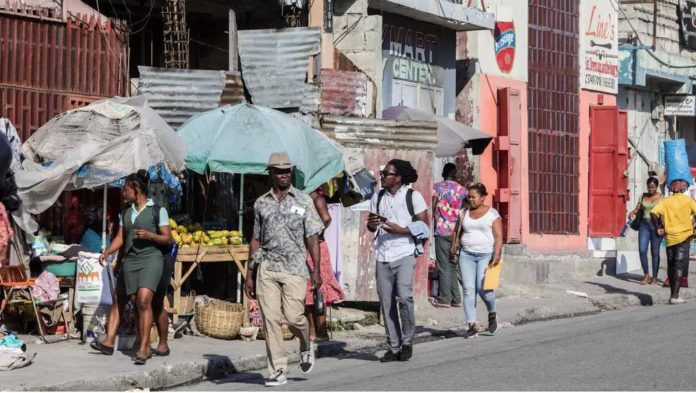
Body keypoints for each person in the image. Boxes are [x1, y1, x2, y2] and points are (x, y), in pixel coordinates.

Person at [244, 152, 324, 387]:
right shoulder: (261, 203)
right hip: (267, 267)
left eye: (287, 170)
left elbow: (312, 237)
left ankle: (305, 343)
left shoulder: (303, 200)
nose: (284, 175)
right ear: (270, 173)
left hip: (295, 267)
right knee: (270, 319)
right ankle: (278, 369)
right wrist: (250, 273)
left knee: (293, 317)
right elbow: (256, 239)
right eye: (279, 171)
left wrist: (316, 270)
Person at [92, 170, 172, 364]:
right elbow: (121, 238)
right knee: (123, 300)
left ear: (136, 190)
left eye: (126, 189)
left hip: (151, 260)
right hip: (131, 261)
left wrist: (151, 236)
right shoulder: (126, 212)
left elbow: (168, 238)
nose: (123, 193)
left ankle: (145, 348)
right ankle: (109, 342)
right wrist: (108, 252)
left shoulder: (158, 210)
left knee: (146, 301)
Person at [367, 159, 428, 363]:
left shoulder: (413, 196)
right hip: (383, 253)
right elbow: (371, 224)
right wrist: (372, 224)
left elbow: (424, 225)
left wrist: (401, 230)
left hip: (404, 252)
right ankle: (393, 347)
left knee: (404, 297)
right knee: (386, 302)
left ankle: (407, 341)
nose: (382, 177)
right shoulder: (378, 196)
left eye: (386, 174)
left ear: (398, 178)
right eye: (382, 173)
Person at [450, 183, 502, 339]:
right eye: (469, 197)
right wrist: (453, 248)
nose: (470, 200)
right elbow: (457, 232)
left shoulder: (492, 214)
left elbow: (499, 236)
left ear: (483, 197)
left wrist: (497, 254)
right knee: (467, 290)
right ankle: (472, 325)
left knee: (483, 288)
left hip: (487, 255)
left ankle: (492, 313)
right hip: (466, 255)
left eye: (474, 197)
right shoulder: (463, 213)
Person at [304, 188, 345, 342]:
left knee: (317, 289)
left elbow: (326, 219)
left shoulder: (317, 199)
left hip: (316, 247)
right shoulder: (303, 199)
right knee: (307, 291)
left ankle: (321, 330)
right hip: (305, 247)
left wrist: (315, 232)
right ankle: (312, 330)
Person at [650, 179, 696, 304]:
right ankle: (675, 296)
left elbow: (653, 212)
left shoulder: (666, 201)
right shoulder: (688, 201)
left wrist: (658, 227)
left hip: (670, 237)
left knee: (671, 265)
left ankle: (672, 295)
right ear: (683, 188)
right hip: (684, 236)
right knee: (679, 265)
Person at [430, 163, 467, 308]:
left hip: (441, 230)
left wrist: (431, 220)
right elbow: (466, 207)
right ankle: (456, 299)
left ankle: (445, 298)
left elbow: (433, 206)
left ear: (443, 173)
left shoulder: (437, 187)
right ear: (455, 174)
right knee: (452, 264)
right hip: (456, 231)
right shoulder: (461, 189)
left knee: (443, 265)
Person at [628, 177, 663, 285]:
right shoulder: (643, 196)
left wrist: (662, 228)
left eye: (653, 187)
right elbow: (637, 209)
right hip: (644, 225)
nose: (650, 189)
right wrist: (632, 213)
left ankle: (655, 277)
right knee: (642, 250)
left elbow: (663, 214)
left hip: (656, 225)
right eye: (649, 187)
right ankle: (646, 274)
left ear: (656, 187)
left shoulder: (661, 198)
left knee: (655, 252)